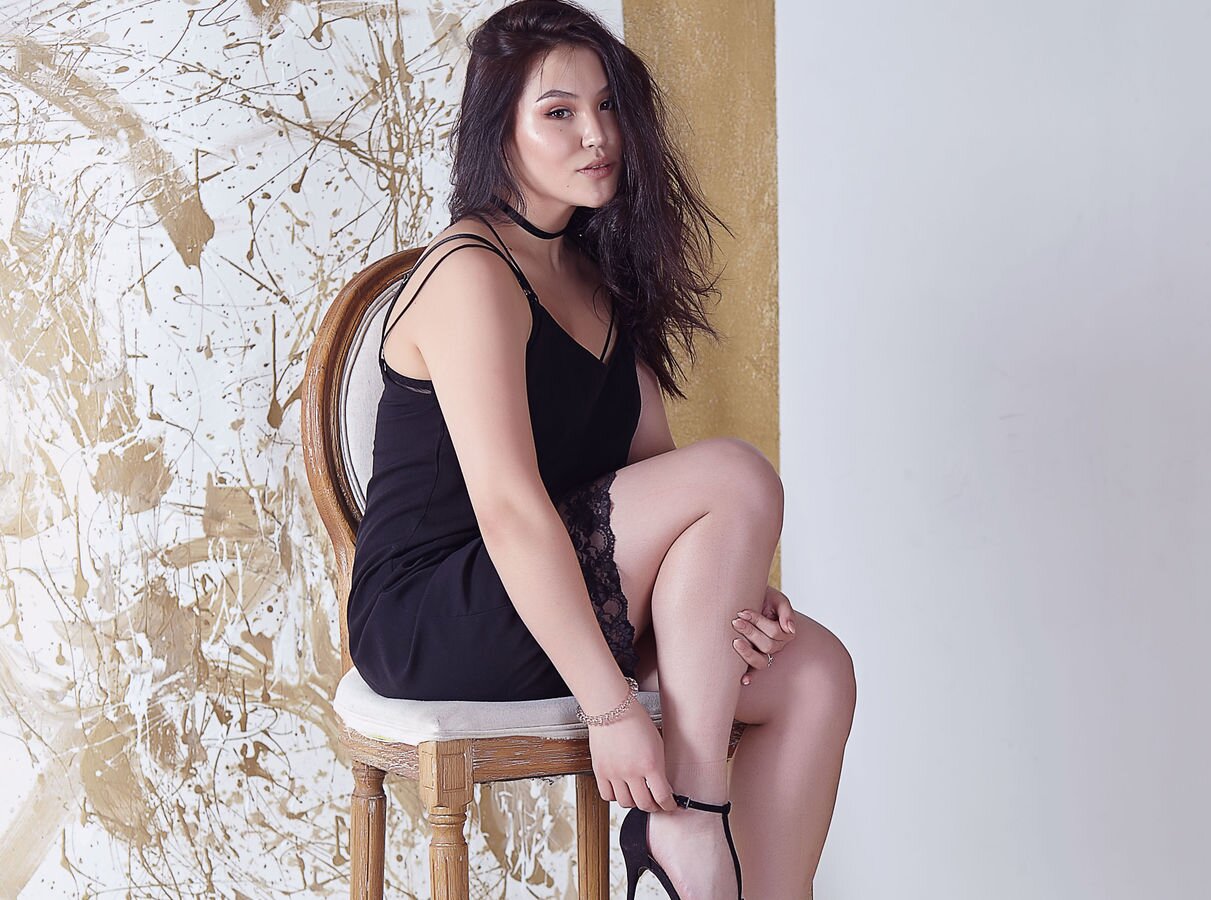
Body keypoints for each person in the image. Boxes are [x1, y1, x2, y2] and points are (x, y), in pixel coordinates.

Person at [345, 2, 856, 897]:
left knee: (814, 671)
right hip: (442, 611)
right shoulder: (471, 271)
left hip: (563, 591)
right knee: (737, 472)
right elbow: (510, 511)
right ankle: (684, 826)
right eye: (560, 112)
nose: (598, 134)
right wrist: (612, 710)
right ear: (498, 130)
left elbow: (660, 484)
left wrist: (741, 585)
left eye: (608, 105)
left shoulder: (596, 278)